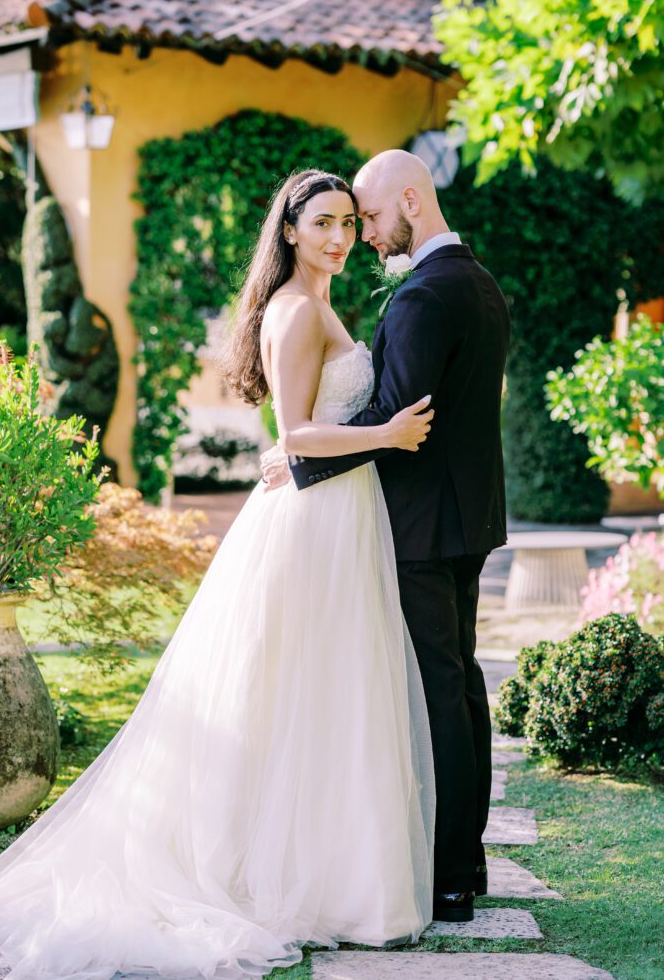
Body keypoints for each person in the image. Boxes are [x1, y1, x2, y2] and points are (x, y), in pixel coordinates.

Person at [0, 169, 437, 980]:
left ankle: (338, 876)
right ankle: (287, 877)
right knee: (298, 691)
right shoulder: (296, 313)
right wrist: (387, 436)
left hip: (338, 516)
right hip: (313, 522)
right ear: (289, 231)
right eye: (322, 224)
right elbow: (295, 434)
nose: (338, 238)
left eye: (345, 223)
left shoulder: (317, 304)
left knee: (325, 694)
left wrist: (364, 440)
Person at [263, 150, 510, 922]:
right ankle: (462, 861)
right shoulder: (479, 282)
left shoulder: (421, 298)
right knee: (459, 682)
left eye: (365, 216)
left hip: (416, 526)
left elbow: (396, 419)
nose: (360, 233)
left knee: (436, 689)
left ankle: (444, 875)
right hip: (465, 520)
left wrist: (294, 462)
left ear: (409, 198)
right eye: (337, 221)